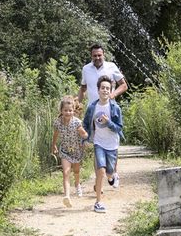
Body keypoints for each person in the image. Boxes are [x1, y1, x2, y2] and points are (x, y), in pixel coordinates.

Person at [78, 43, 127, 188]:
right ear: (91, 56)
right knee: (96, 143)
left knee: (112, 140)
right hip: (93, 111)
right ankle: (97, 182)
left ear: (103, 55)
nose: (97, 58)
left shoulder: (111, 66)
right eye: (94, 56)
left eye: (99, 55)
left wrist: (112, 94)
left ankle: (113, 172)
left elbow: (123, 85)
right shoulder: (86, 69)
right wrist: (78, 104)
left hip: (108, 110)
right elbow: (83, 88)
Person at [83, 76, 123, 213]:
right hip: (98, 143)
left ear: (110, 91)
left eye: (107, 88)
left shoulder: (115, 108)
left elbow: (119, 128)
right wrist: (85, 139)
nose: (105, 90)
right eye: (103, 88)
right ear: (98, 90)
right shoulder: (92, 107)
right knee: (100, 171)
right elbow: (86, 124)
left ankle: (113, 177)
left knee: (109, 173)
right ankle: (98, 202)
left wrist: (108, 123)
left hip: (112, 144)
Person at [52, 96, 88, 208]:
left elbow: (85, 134)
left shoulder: (77, 122)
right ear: (61, 111)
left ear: (73, 111)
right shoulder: (58, 122)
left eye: (70, 110)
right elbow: (56, 134)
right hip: (65, 151)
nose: (68, 112)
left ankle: (77, 184)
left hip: (76, 150)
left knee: (76, 171)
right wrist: (53, 145)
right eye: (65, 110)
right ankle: (67, 196)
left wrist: (84, 136)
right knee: (66, 172)